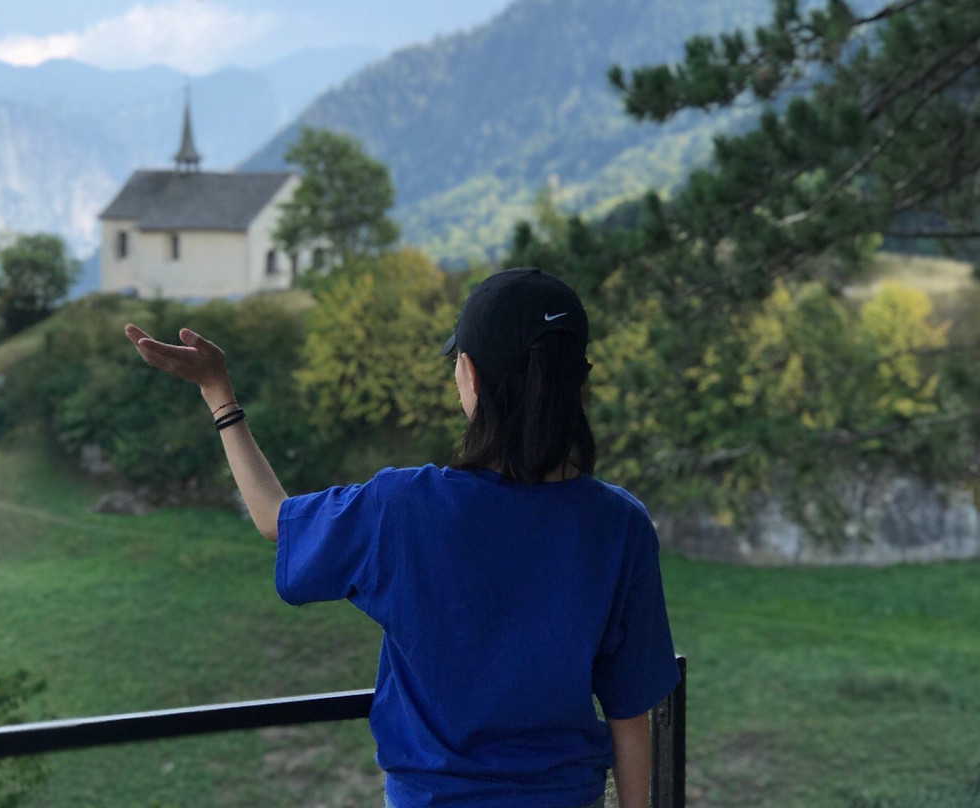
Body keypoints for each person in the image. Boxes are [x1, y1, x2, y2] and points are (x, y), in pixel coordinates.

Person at [124, 267, 680, 808]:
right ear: (577, 380)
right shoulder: (621, 525)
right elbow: (629, 710)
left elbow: (274, 517)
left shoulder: (404, 507)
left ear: (470, 373)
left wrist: (219, 395)